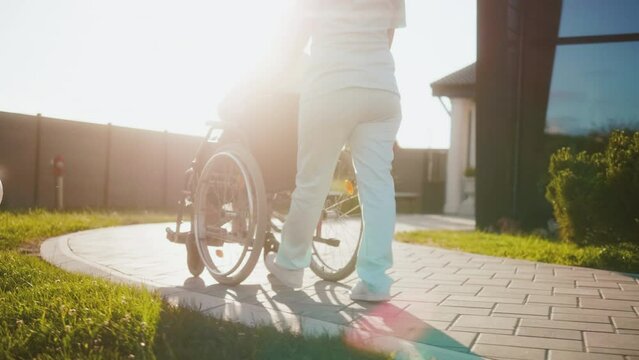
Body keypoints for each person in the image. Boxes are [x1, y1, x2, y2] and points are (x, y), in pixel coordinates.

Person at [265, 0, 406, 302]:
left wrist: (273, 76)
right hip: (382, 91)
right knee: (378, 186)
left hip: (331, 87)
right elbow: (387, 37)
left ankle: (290, 265)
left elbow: (296, 35)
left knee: (312, 182)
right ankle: (375, 281)